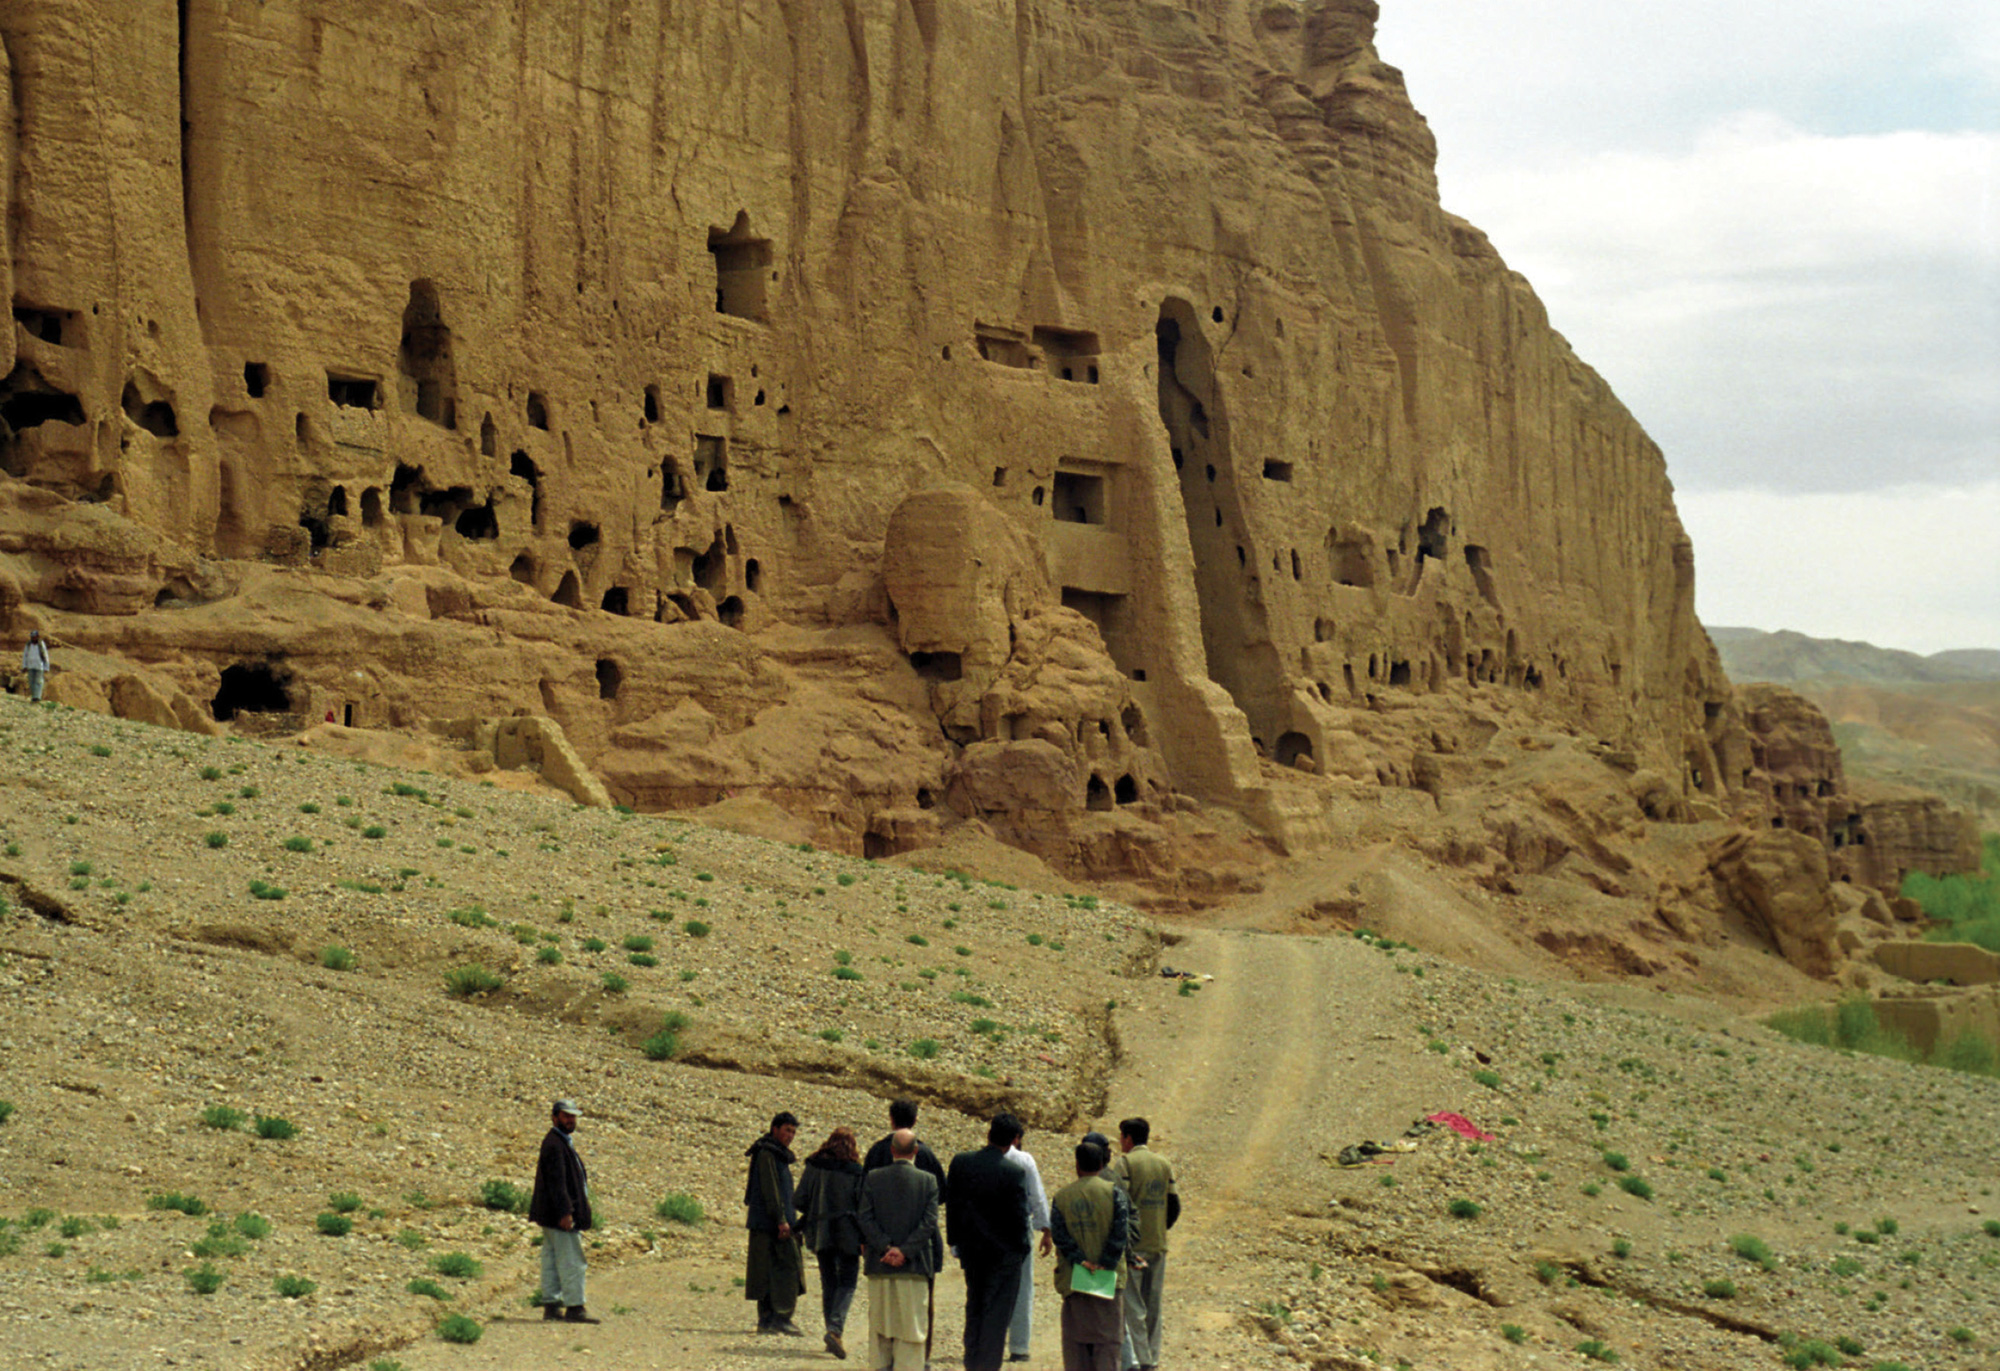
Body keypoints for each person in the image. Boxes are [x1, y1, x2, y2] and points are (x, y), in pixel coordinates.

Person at [946, 1113, 1033, 1371]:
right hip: (1004, 1257)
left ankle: (971, 1359)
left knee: (975, 1306)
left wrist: (955, 1242)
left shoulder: (961, 1163)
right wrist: (1022, 1250)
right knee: (996, 1316)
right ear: (1014, 1141)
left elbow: (952, 1205)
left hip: (971, 1252)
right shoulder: (1013, 1172)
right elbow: (1019, 1217)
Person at [857, 1128, 942, 1371]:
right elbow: (929, 1223)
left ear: (891, 1150)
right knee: (912, 1330)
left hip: (880, 1265)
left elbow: (864, 1218)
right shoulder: (928, 1181)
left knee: (881, 1329)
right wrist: (904, 1251)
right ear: (916, 1150)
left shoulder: (873, 1178)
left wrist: (885, 1247)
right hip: (913, 1268)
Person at [1049, 1140, 1132, 1371]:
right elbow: (1120, 1233)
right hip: (1109, 1283)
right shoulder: (1114, 1193)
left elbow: (1060, 1236)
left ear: (1077, 1165)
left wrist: (1081, 1261)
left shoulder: (1062, 1196)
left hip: (1075, 1281)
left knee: (1076, 1348)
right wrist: (1105, 1264)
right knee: (1107, 1347)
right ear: (1101, 1165)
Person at [1108, 1118, 1177, 1371]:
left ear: (1127, 1138)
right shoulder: (1163, 1163)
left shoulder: (1125, 1164)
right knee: (1154, 1303)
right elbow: (1174, 1205)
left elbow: (1119, 1204)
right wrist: (1159, 1228)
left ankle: (1141, 1359)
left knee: (1134, 1305)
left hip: (1134, 1247)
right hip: (1158, 1244)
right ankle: (1154, 1357)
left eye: (1121, 1137)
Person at [796, 1124, 867, 1359]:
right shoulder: (856, 1171)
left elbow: (800, 1199)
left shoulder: (814, 1166)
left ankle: (832, 1332)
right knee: (848, 1281)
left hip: (821, 1230)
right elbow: (863, 1206)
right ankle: (835, 1330)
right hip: (849, 1232)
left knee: (829, 1282)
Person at [528, 1098, 598, 1323]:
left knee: (550, 1259)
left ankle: (551, 1305)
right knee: (571, 1261)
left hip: (549, 1215)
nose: (570, 1120)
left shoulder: (558, 1142)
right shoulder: (555, 1144)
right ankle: (575, 1307)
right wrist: (565, 1212)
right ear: (555, 1116)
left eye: (573, 1116)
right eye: (566, 1116)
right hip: (558, 1216)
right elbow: (557, 1183)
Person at [745, 1110, 805, 1336]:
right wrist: (781, 1220)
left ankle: (769, 1320)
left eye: (793, 1132)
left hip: (768, 1222)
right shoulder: (768, 1154)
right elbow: (771, 1190)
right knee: (785, 1268)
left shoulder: (774, 1153)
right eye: (787, 1130)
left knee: (768, 1270)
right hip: (771, 1223)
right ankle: (779, 1317)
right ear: (775, 1129)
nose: (790, 1135)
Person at [1004, 1125, 1054, 1363]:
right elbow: (1037, 1196)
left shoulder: (980, 1160)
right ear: (1016, 1138)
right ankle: (1019, 1346)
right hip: (1019, 1228)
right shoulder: (1024, 1160)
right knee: (1023, 1287)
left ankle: (985, 1341)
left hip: (986, 1229)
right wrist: (1046, 1229)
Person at [20, 630, 49, 703]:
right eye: (32, 637)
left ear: (37, 637)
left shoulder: (41, 644)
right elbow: (25, 656)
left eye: (34, 637)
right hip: (30, 666)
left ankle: (37, 697)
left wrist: (46, 667)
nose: (33, 639)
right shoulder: (28, 645)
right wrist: (24, 666)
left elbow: (45, 655)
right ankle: (34, 696)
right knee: (31, 681)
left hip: (39, 666)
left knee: (38, 681)